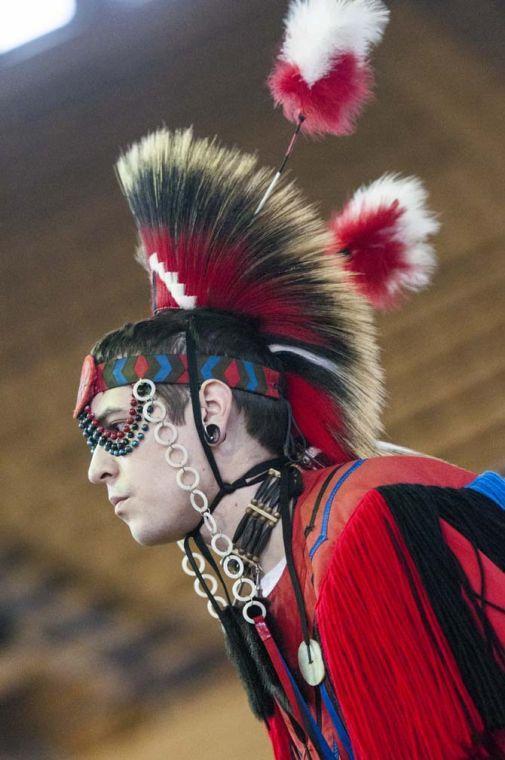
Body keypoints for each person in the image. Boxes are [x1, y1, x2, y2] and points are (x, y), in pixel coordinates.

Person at [73, 124, 504, 759]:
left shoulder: (364, 521)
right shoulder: (275, 577)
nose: (95, 470)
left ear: (212, 410)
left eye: (115, 428)